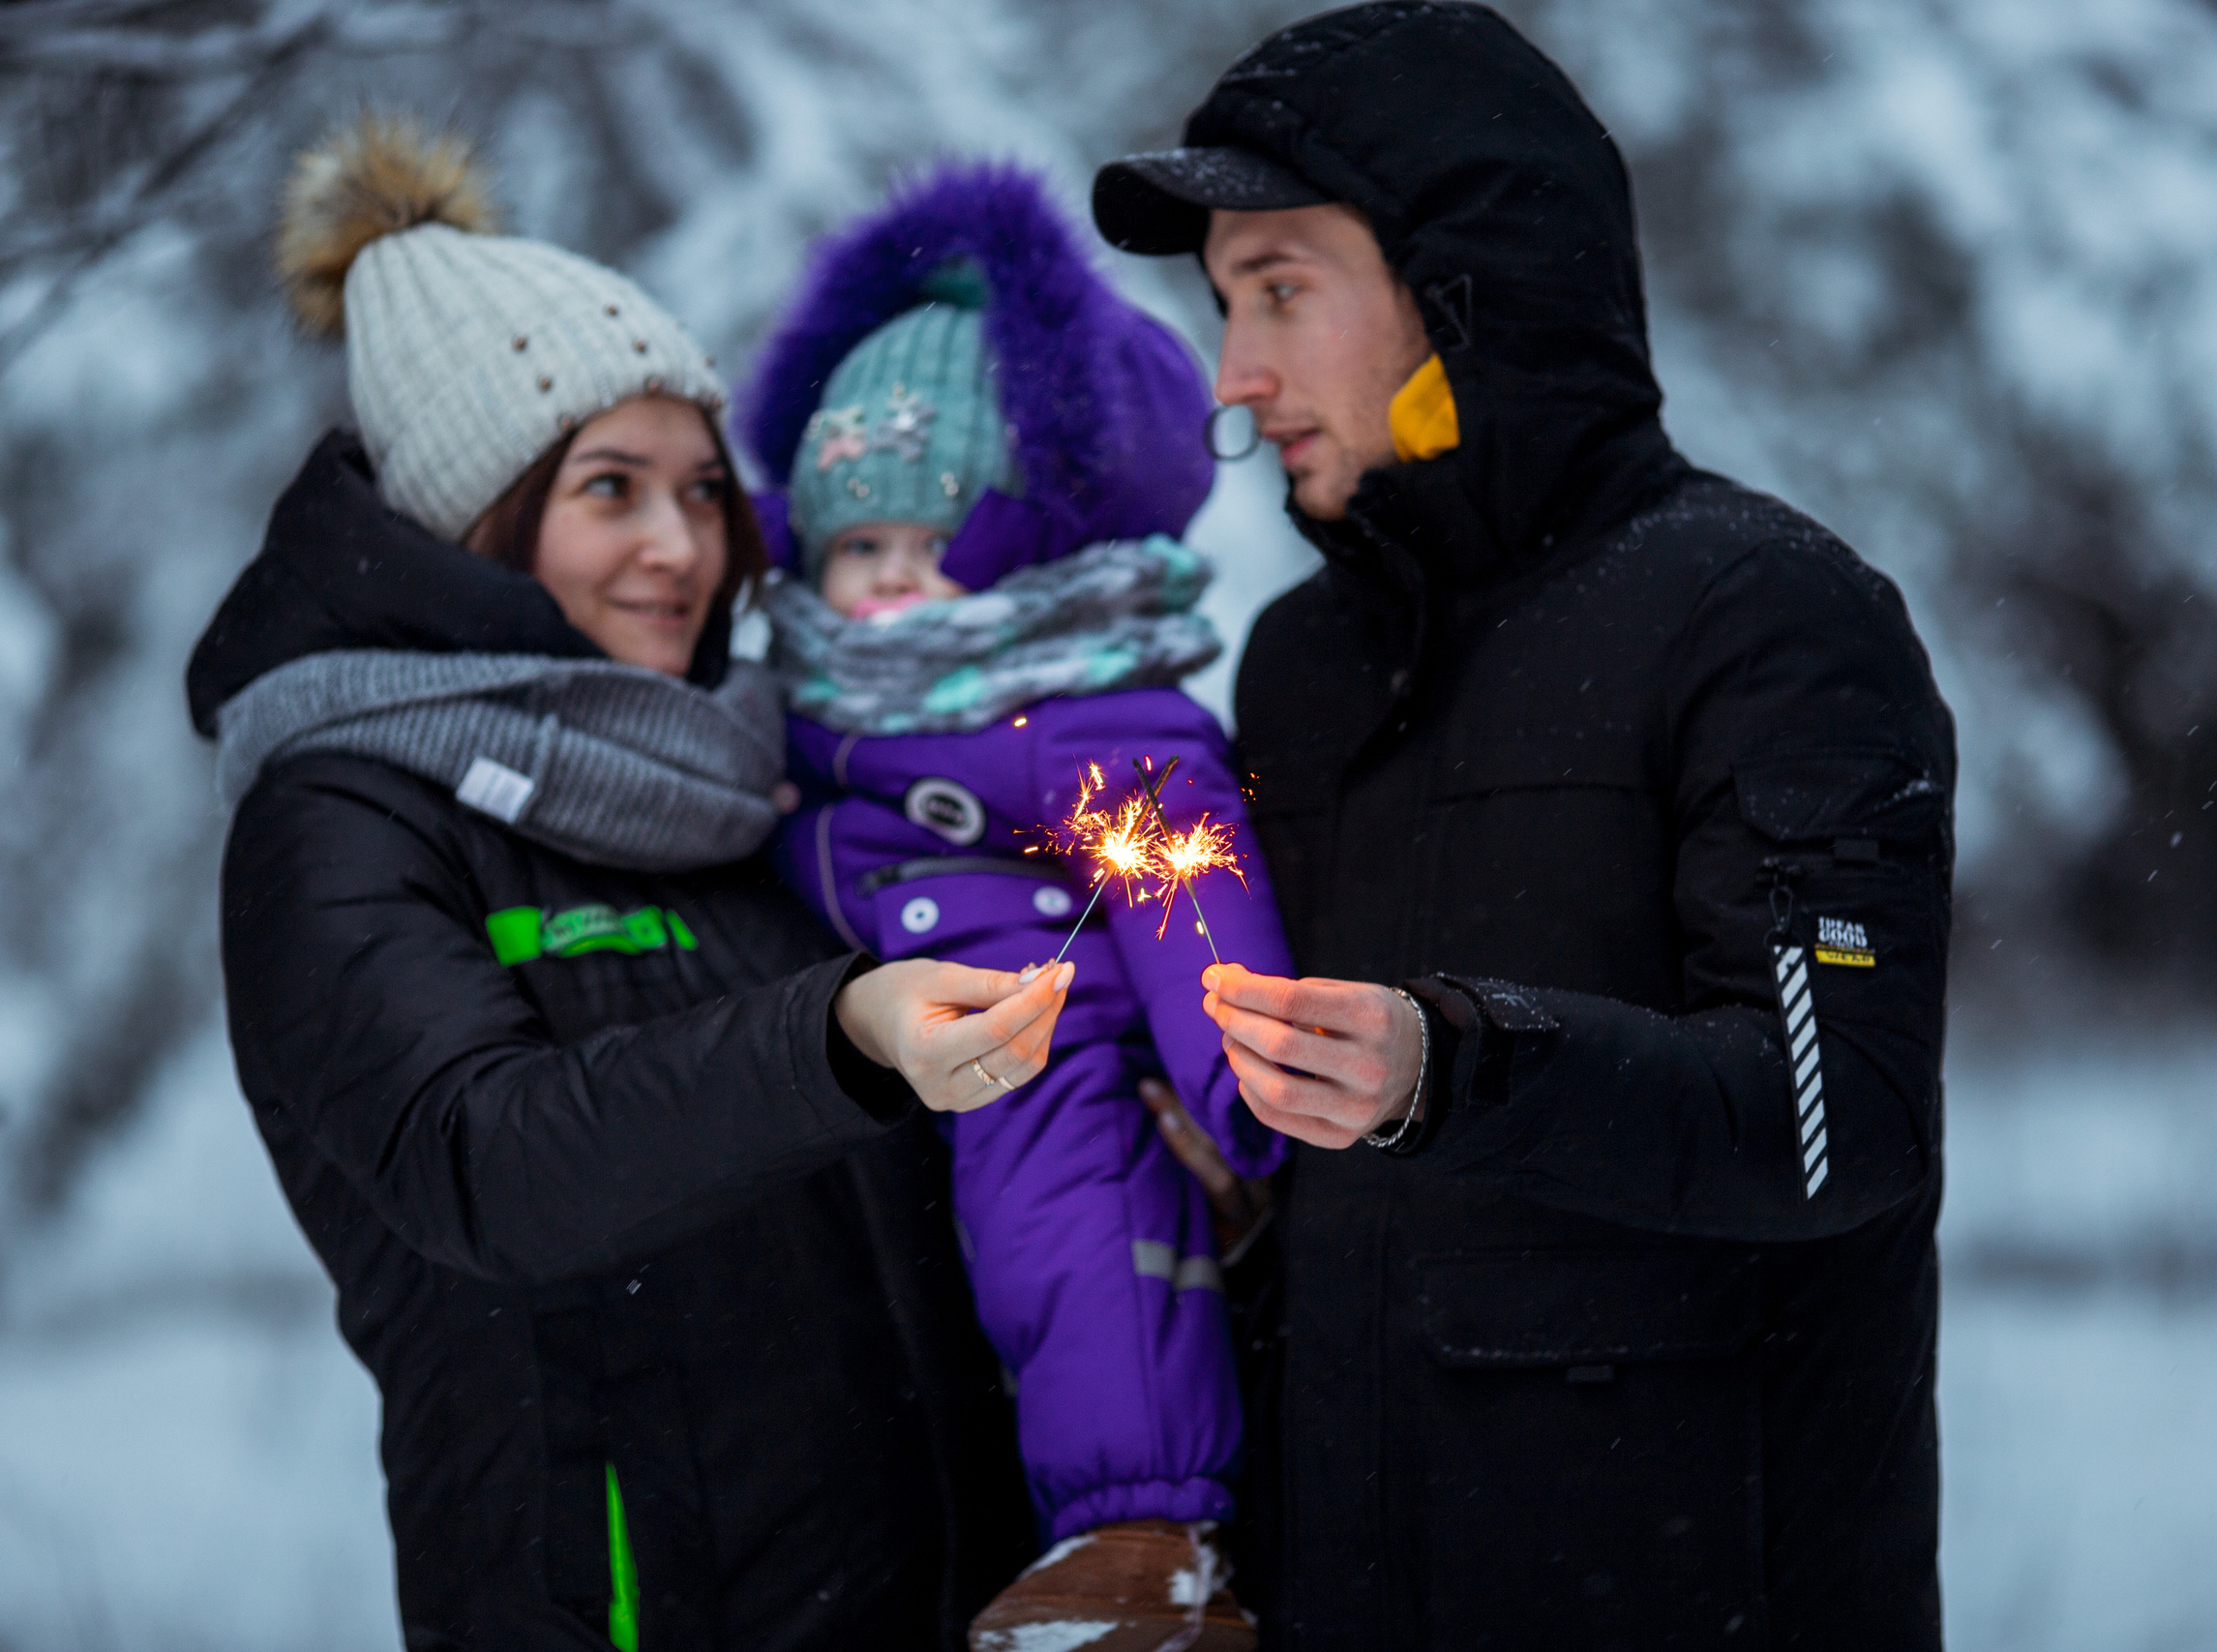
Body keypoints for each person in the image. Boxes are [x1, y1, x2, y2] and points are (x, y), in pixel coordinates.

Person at [1092, 5, 1956, 1647]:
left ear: (1464, 289)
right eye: (1221, 306)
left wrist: (1454, 1067)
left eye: (1280, 289)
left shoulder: (1769, 621)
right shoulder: (1299, 668)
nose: (1235, 379)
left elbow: (1840, 1124)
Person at [188, 116, 1068, 1650]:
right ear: (479, 515)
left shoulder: (748, 774)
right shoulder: (341, 815)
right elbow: (489, 1165)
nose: (679, 546)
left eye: (703, 489)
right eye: (611, 489)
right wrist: (836, 1039)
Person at [739, 163, 1291, 1651]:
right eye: (857, 549)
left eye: (929, 547)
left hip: (1061, 1050)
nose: (885, 591)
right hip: (921, 1070)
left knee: (1081, 1237)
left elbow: (1179, 881)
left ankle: (1144, 1533)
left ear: (1026, 549)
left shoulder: (1072, 717)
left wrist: (1245, 1081)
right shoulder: (817, 719)